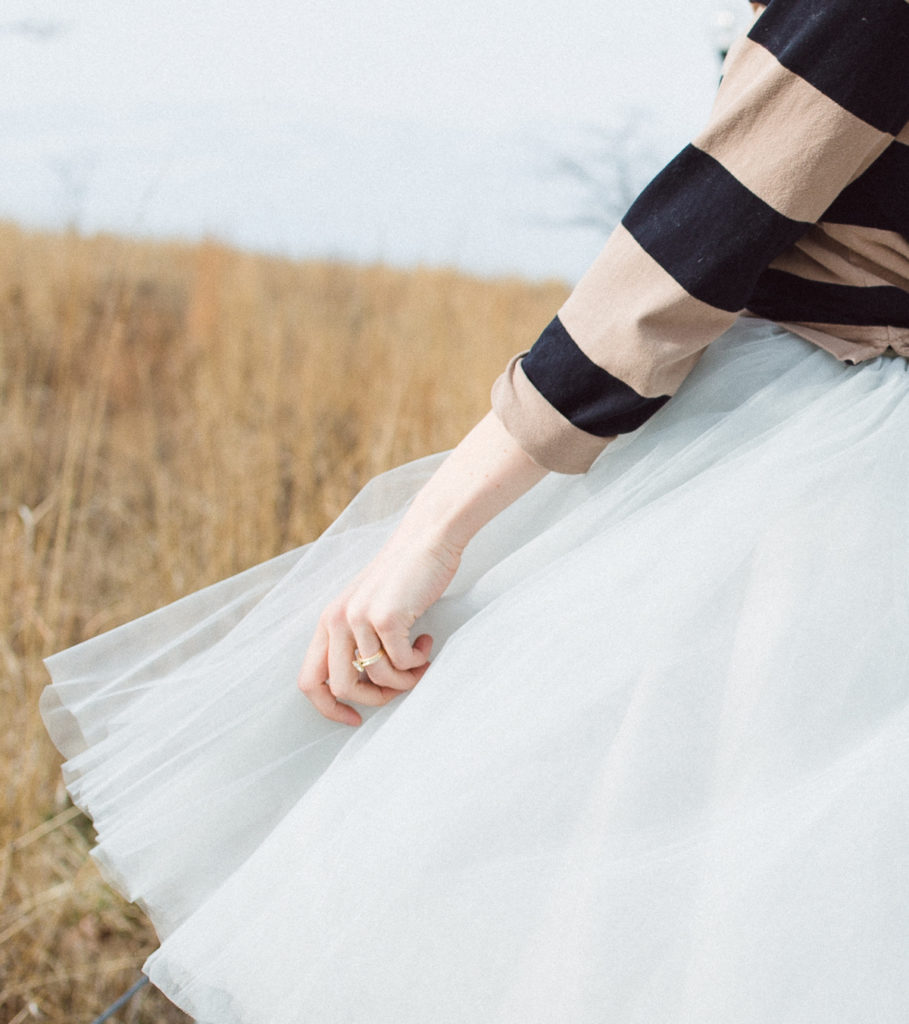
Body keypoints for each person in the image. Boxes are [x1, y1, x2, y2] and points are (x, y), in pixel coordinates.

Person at [42, 0, 909, 1021]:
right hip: (832, 455)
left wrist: (436, 526)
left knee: (662, 916)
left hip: (803, 467)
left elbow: (688, 254)